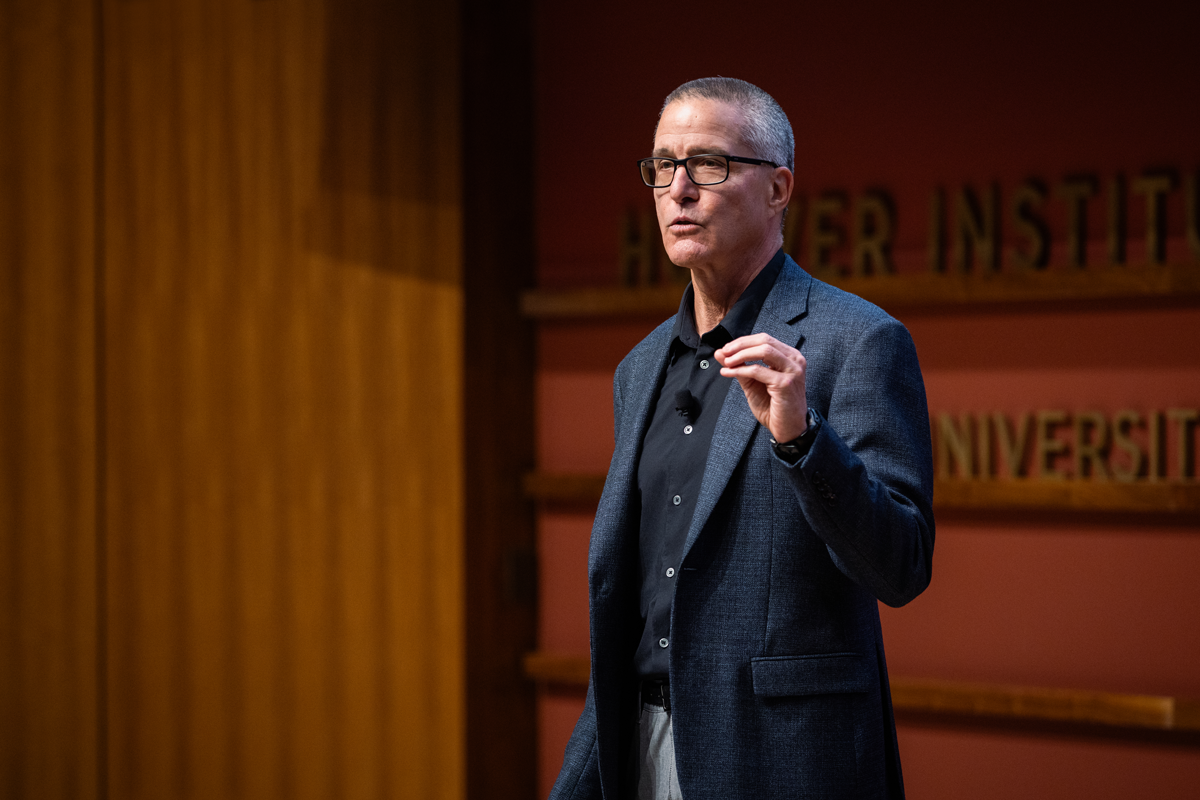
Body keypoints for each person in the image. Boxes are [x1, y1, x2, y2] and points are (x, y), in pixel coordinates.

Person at [549, 77, 935, 800]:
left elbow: (901, 565)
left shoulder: (859, 341)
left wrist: (802, 439)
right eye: (663, 166)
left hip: (784, 760)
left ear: (779, 188)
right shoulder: (638, 370)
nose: (679, 189)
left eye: (710, 164)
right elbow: (632, 611)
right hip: (640, 746)